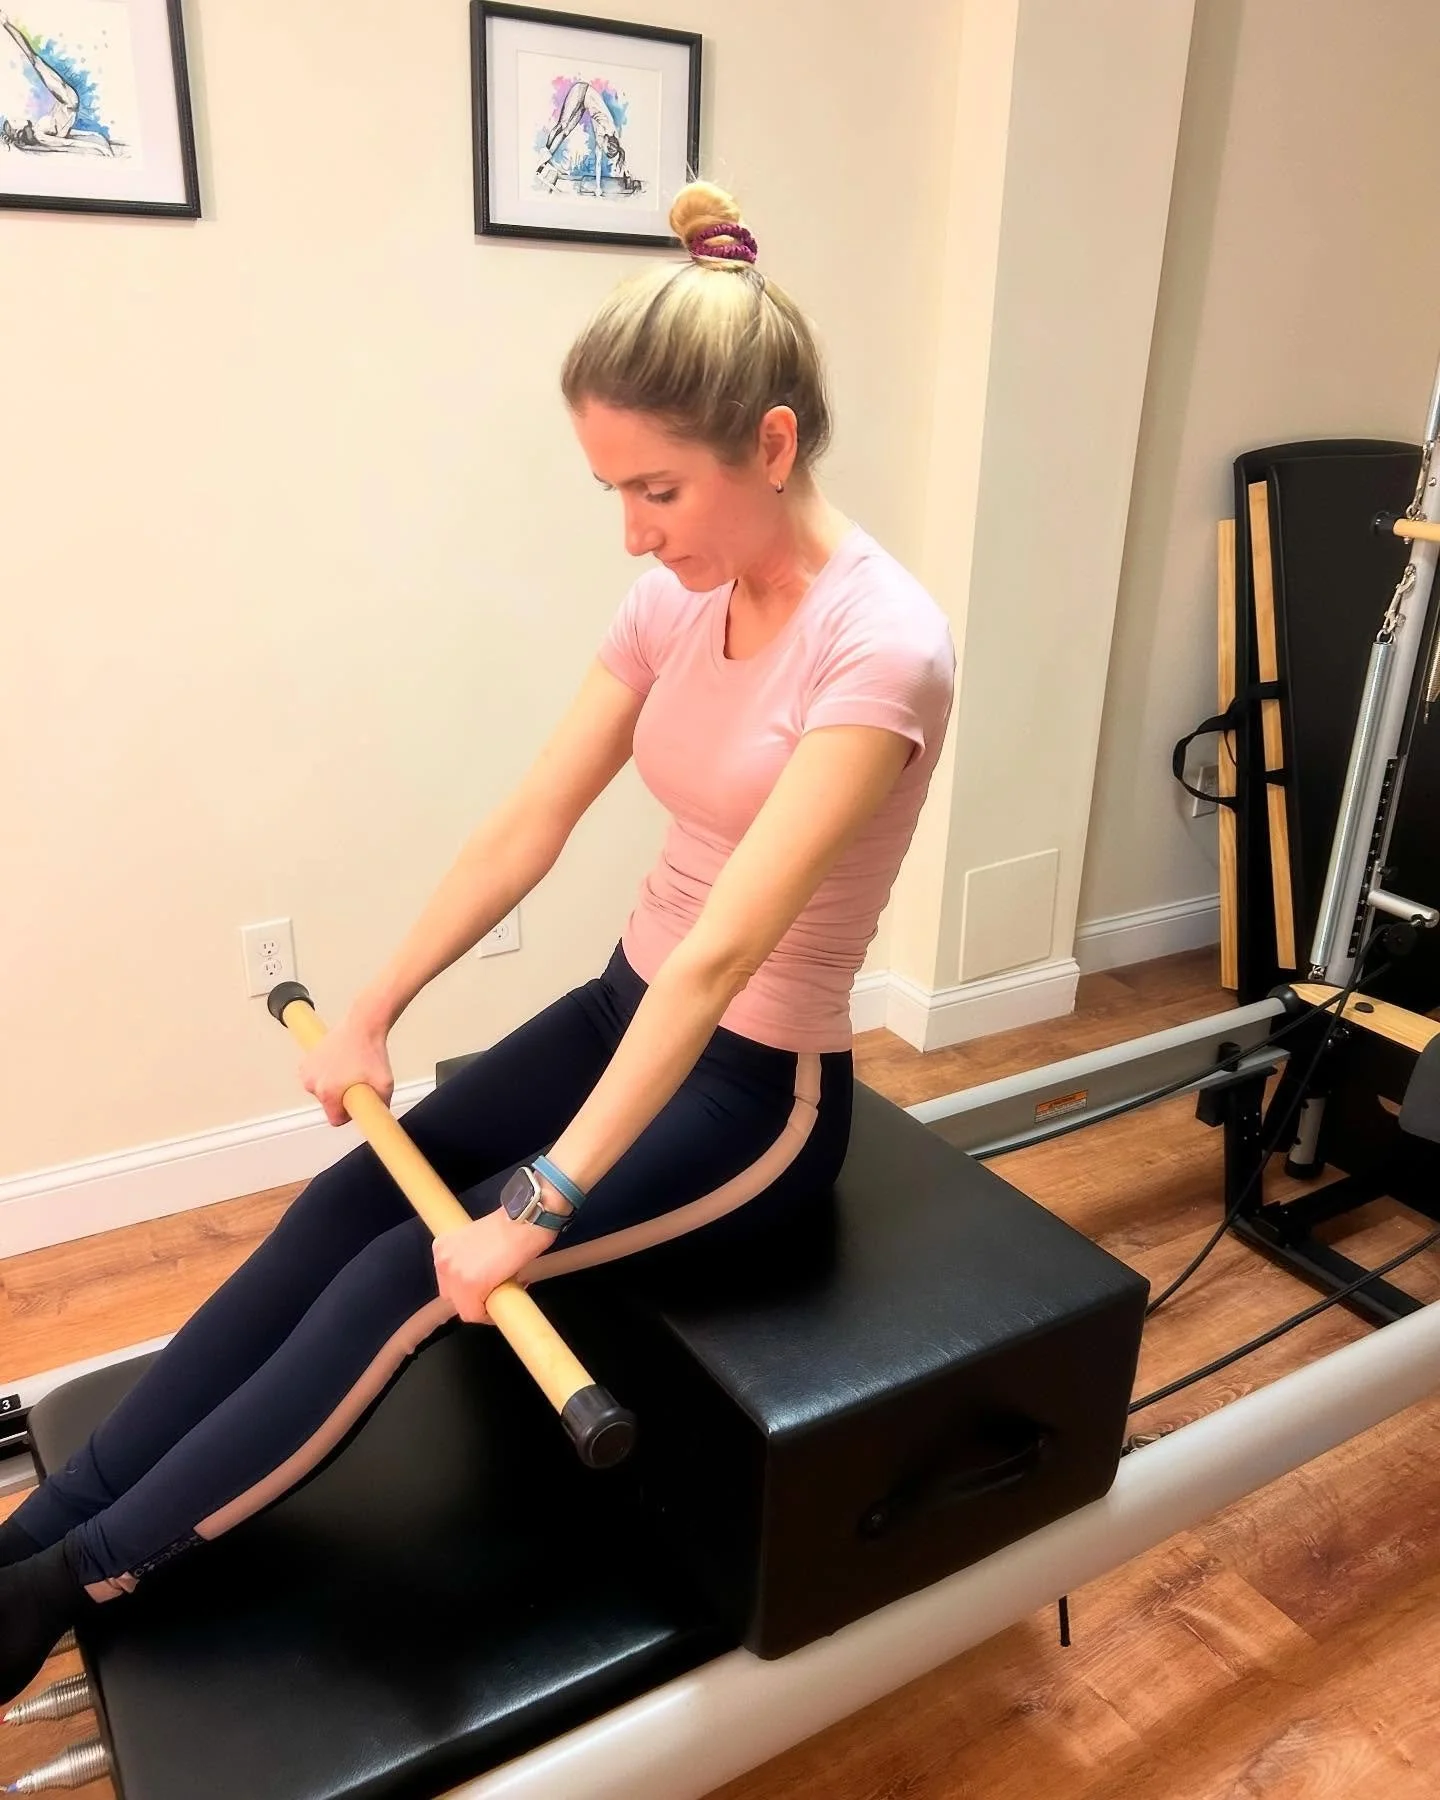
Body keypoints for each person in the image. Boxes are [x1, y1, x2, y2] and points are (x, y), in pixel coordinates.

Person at [0, 179, 956, 1702]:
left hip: (754, 1092)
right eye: (615, 499)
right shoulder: (674, 602)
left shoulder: (881, 644)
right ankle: (39, 1518)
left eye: (659, 492)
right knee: (343, 1211)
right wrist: (376, 1002)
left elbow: (721, 965)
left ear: (771, 445)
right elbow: (530, 825)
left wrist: (542, 1202)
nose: (639, 536)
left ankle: (69, 1581)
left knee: (410, 1272)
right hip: (619, 1009)